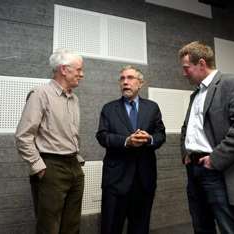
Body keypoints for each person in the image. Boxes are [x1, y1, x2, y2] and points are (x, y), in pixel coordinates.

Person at [179, 41, 234, 233]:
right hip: (195, 169)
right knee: (201, 227)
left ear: (201, 64)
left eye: (186, 68)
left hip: (218, 170)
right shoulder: (196, 93)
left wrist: (215, 159)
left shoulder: (233, 83)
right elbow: (187, 128)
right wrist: (186, 153)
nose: (184, 74)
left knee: (230, 228)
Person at [16, 49, 85, 234]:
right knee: (49, 228)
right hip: (51, 167)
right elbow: (23, 136)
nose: (82, 73)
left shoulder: (74, 98)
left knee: (72, 227)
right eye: (78, 69)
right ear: (63, 69)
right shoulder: (40, 93)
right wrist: (39, 168)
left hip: (74, 166)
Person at [96, 65, 166, 234]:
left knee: (140, 228)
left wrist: (149, 139)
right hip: (116, 179)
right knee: (111, 227)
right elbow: (102, 136)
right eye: (122, 79)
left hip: (144, 179)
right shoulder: (109, 108)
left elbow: (161, 135)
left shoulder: (152, 107)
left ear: (140, 83)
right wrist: (126, 141)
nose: (125, 82)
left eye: (129, 78)